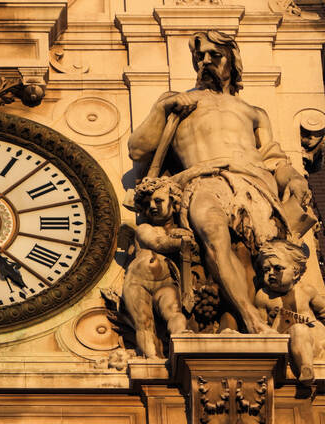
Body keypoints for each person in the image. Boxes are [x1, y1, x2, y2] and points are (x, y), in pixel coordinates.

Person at [128, 30, 311, 335]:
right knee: (211, 230)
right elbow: (137, 149)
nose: (206, 61)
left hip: (255, 186)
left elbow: (273, 159)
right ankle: (251, 319)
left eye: (215, 55)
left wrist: (293, 177)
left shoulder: (253, 112)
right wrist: (164, 109)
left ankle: (256, 318)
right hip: (203, 180)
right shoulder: (176, 102)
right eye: (200, 57)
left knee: (260, 257)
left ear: (232, 60)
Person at [122, 177, 191, 358]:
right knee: (143, 322)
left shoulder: (180, 230)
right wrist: (184, 241)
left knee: (173, 311)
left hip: (166, 280)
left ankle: (182, 338)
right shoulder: (144, 228)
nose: (152, 206)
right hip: (137, 283)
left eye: (158, 201)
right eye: (147, 203)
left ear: (174, 203)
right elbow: (159, 243)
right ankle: (152, 360)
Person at [254, 240, 325, 384]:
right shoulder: (263, 296)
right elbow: (260, 327)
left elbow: (323, 311)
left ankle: (306, 368)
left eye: (277, 268)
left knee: (299, 330)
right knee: (297, 330)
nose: (271, 274)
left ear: (295, 272)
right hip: (284, 341)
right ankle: (305, 367)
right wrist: (271, 323)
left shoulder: (306, 291)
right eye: (266, 270)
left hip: (313, 338)